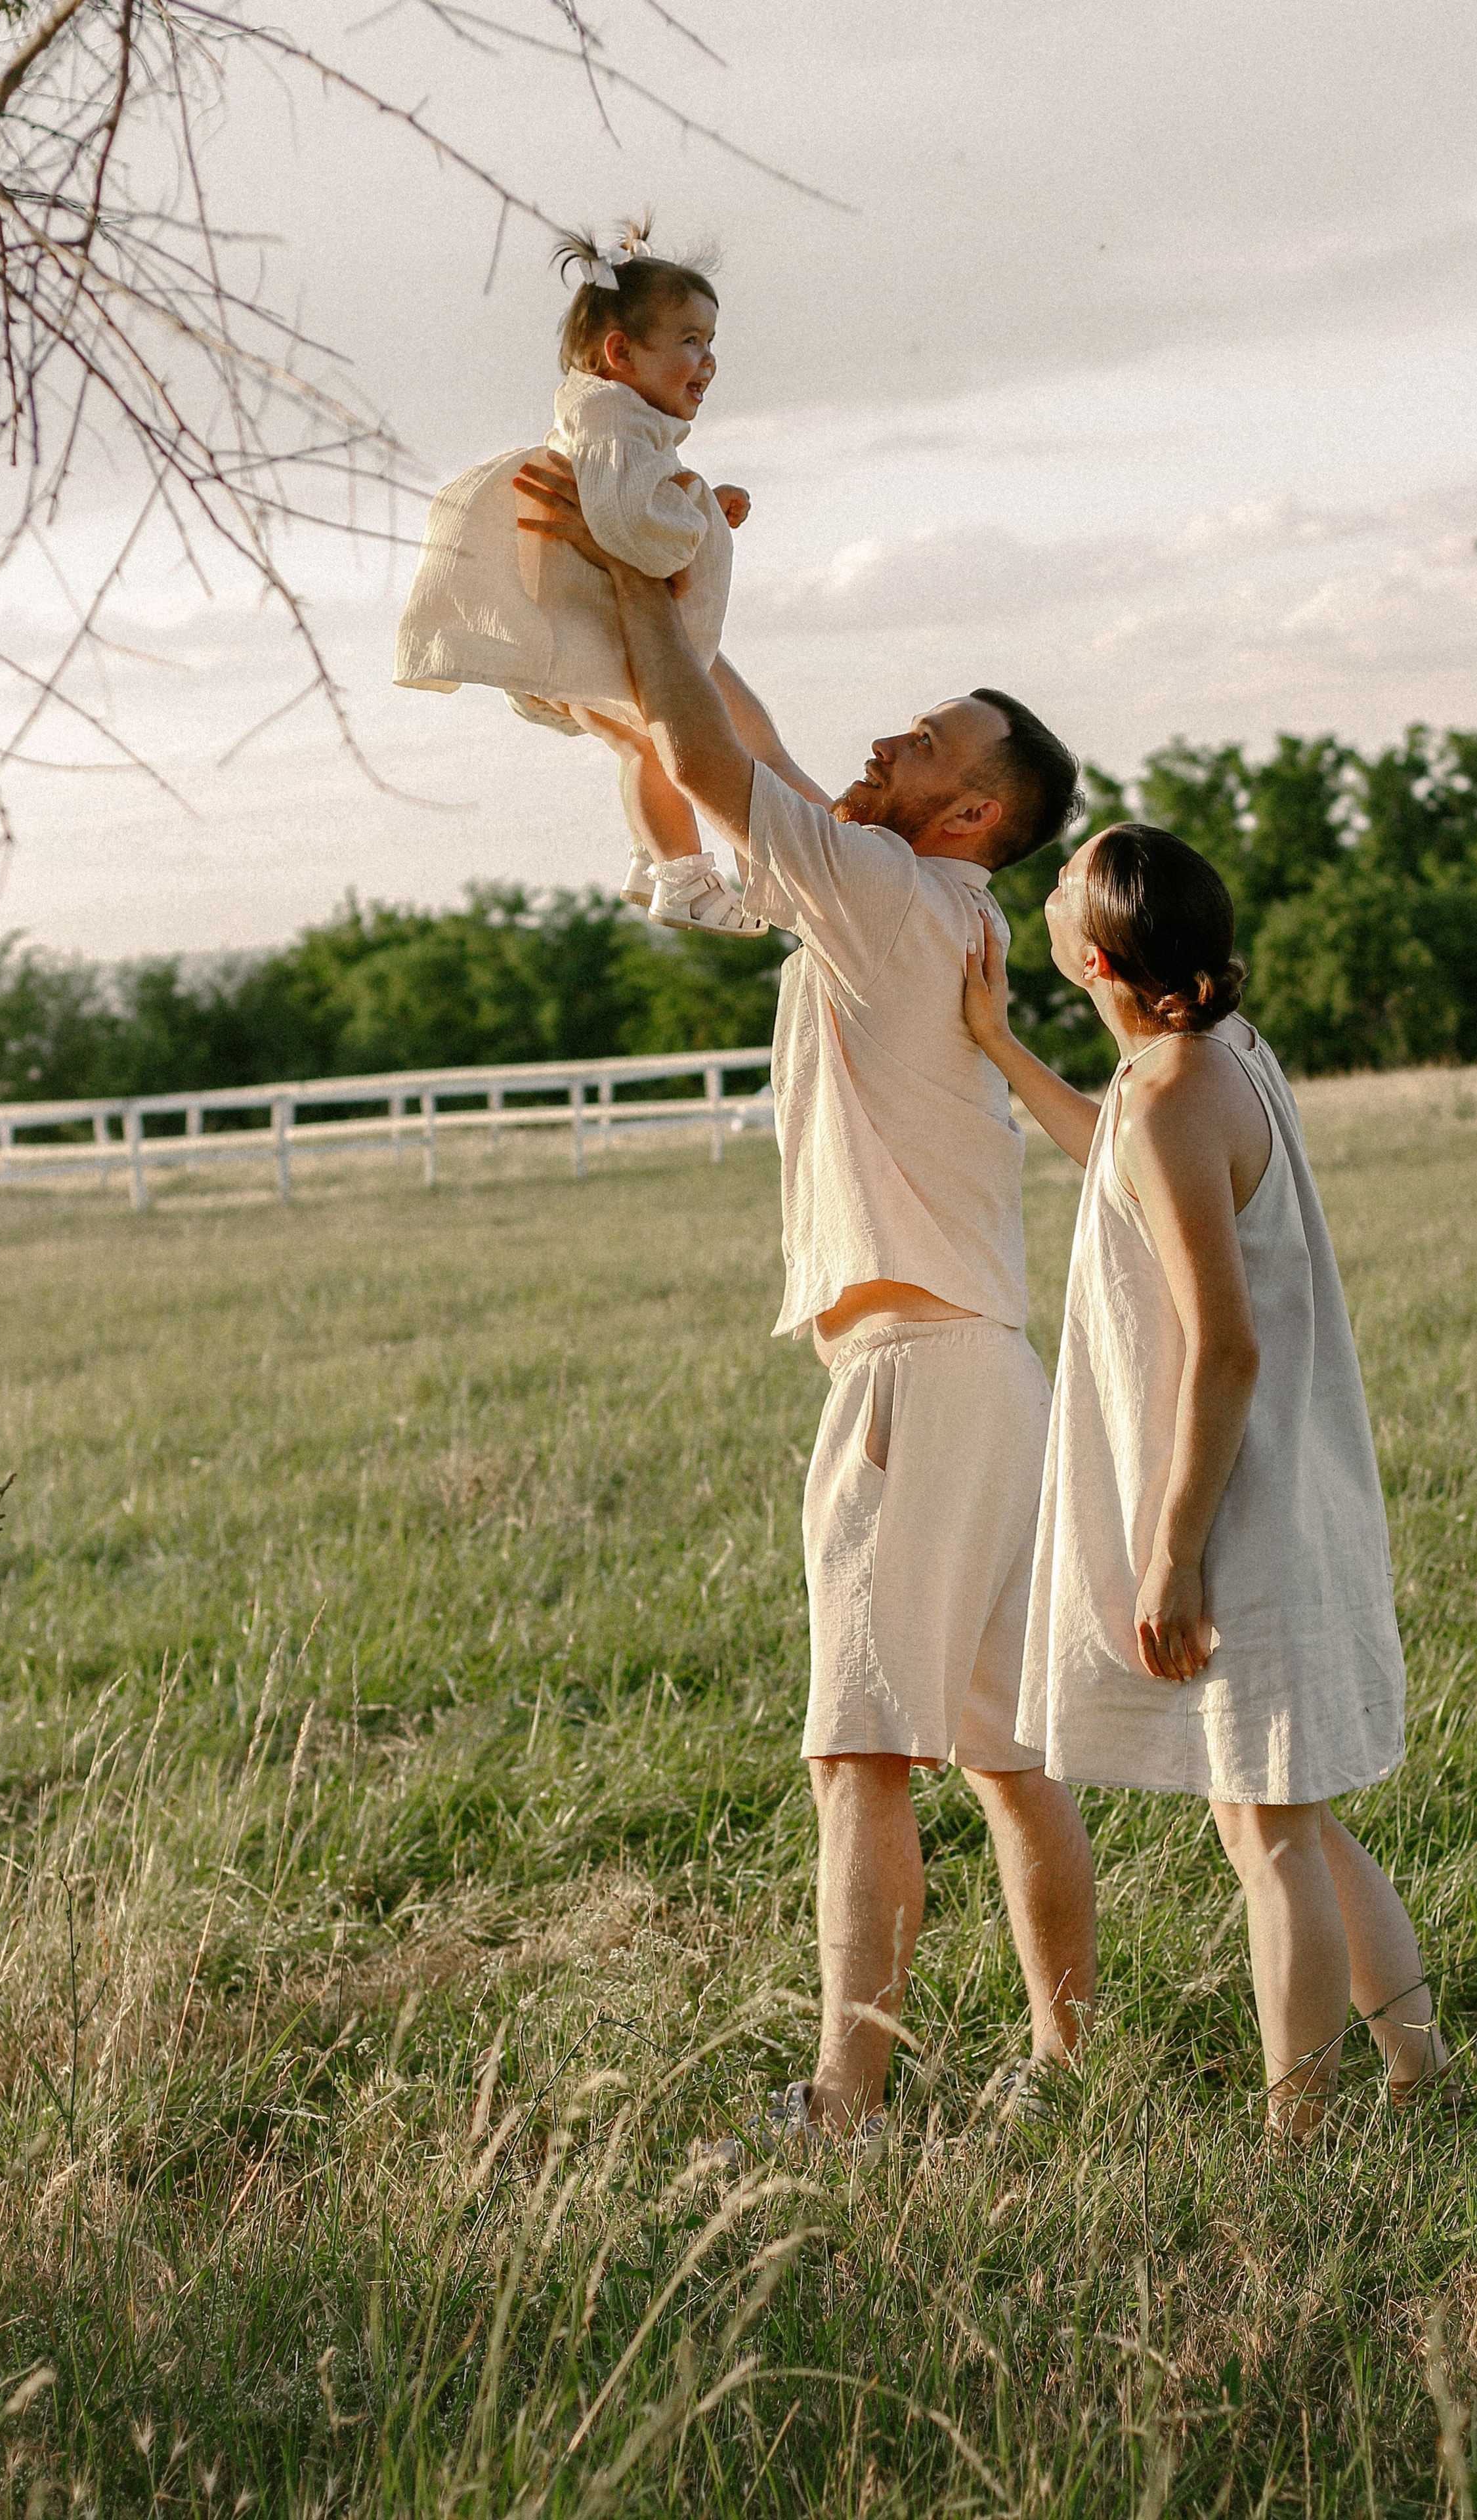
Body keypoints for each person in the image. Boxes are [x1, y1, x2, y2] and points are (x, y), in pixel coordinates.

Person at [518, 448, 1098, 2139]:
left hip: (916, 1369)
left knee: (863, 1747)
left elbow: (726, 754)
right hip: (978, 1358)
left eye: (918, 745)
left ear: (970, 807)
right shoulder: (905, 900)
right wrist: (655, 645)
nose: (880, 748)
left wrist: (643, 573)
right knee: (997, 1743)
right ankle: (1060, 2072)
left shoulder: (885, 892)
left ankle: (846, 2097)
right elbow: (699, 788)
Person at [962, 821, 1453, 2135]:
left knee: (1269, 1838)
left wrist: (1170, 1555)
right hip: (1269, 1488)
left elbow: (1223, 1344)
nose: (1046, 887)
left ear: (1099, 951)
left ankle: (1298, 2129)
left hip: (1246, 1506)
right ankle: (1419, 2070)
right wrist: (1004, 1046)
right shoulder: (1181, 1068)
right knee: (1289, 1818)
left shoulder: (1179, 1093)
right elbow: (1118, 1165)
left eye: (1062, 886)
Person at [395, 217, 764, 937]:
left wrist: (700, 505)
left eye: (712, 342)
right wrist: (696, 518)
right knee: (656, 745)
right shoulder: (611, 419)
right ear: (621, 352)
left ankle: (651, 853)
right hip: (580, 628)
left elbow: (615, 507)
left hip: (569, 621)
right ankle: (682, 879)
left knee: (638, 748)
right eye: (690, 340)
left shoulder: (614, 421)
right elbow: (635, 532)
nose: (709, 360)